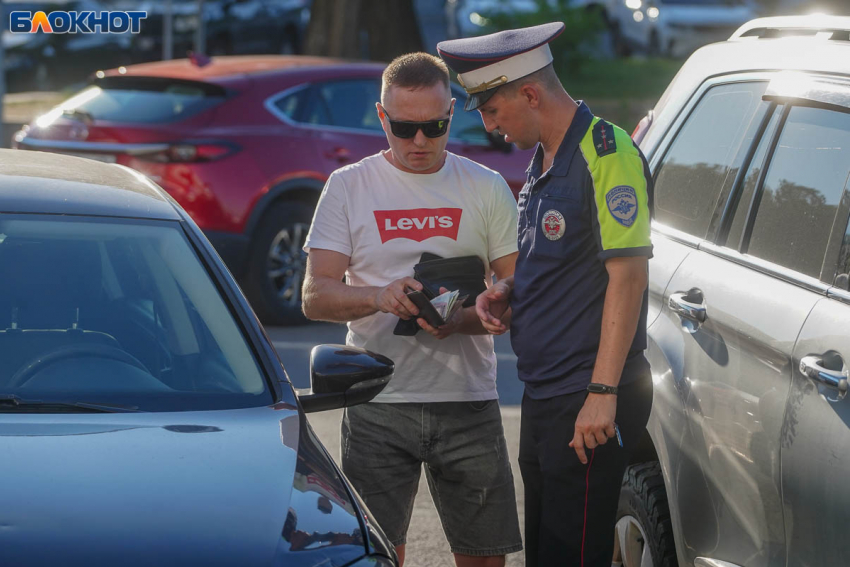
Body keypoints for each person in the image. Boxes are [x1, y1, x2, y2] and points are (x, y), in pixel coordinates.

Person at [438, 23, 655, 567]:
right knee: (548, 551)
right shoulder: (544, 156)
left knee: (572, 553)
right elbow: (559, 258)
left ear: (529, 94)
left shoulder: (607, 152)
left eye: (492, 112)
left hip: (588, 392)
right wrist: (507, 289)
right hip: (548, 392)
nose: (490, 127)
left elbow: (627, 276)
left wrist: (602, 391)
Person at [300, 52, 522, 567]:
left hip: (468, 398)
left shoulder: (486, 186)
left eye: (434, 126)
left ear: (451, 115)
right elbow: (315, 295)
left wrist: (471, 315)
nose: (419, 141)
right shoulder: (348, 186)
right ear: (382, 117)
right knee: (375, 556)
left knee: (485, 556)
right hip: (377, 398)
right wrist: (379, 296)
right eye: (403, 127)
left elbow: (515, 290)